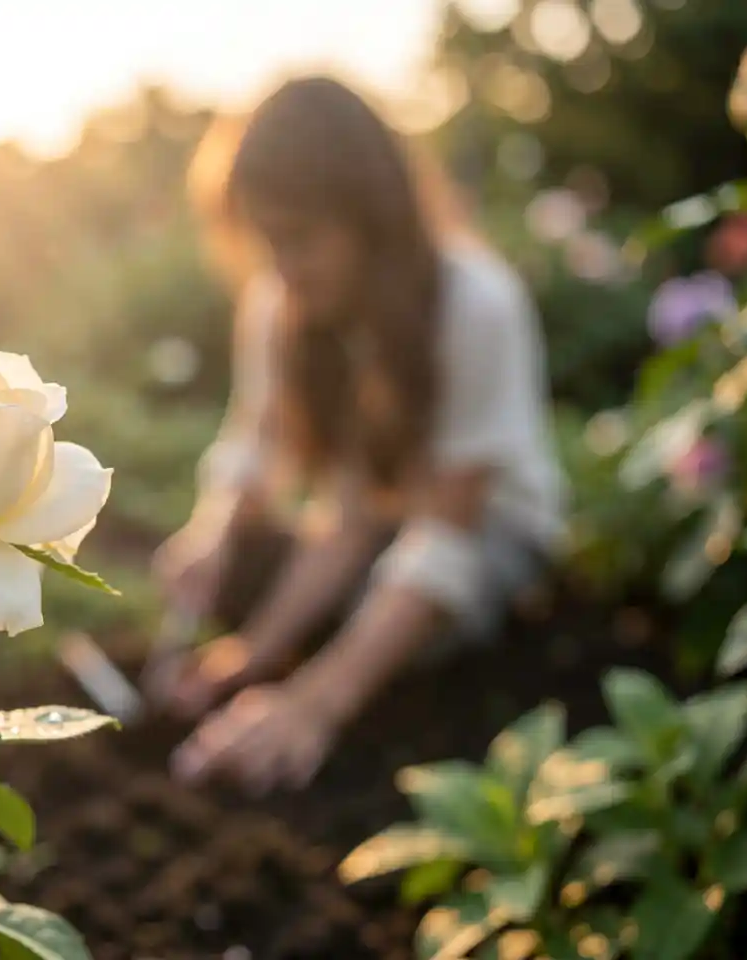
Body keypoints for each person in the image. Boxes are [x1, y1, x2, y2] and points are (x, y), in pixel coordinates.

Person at [145, 76, 566, 796]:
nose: (281, 265)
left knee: (414, 624)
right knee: (258, 565)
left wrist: (313, 704)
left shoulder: (475, 304)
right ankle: (333, 641)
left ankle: (385, 667)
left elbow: (444, 539)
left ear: (370, 218)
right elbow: (344, 512)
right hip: (378, 528)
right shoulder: (285, 305)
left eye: (301, 239)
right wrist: (252, 649)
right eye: (266, 240)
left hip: (490, 537)